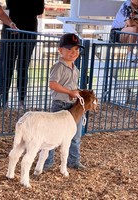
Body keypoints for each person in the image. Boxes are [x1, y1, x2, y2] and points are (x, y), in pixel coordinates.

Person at [44, 33, 86, 170]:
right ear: (60, 50)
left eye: (76, 49)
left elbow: (71, 86)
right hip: (60, 105)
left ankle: (74, 161)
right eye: (69, 49)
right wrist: (70, 92)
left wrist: (77, 93)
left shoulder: (76, 69)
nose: (73, 53)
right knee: (52, 135)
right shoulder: (58, 67)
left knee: (75, 134)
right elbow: (53, 84)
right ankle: (47, 162)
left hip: (73, 106)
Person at [0, 0, 45, 109]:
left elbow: (39, 10)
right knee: (7, 65)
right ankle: (3, 99)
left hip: (29, 31)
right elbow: (11, 5)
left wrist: (23, 7)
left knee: (23, 66)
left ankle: (21, 100)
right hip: (11, 29)